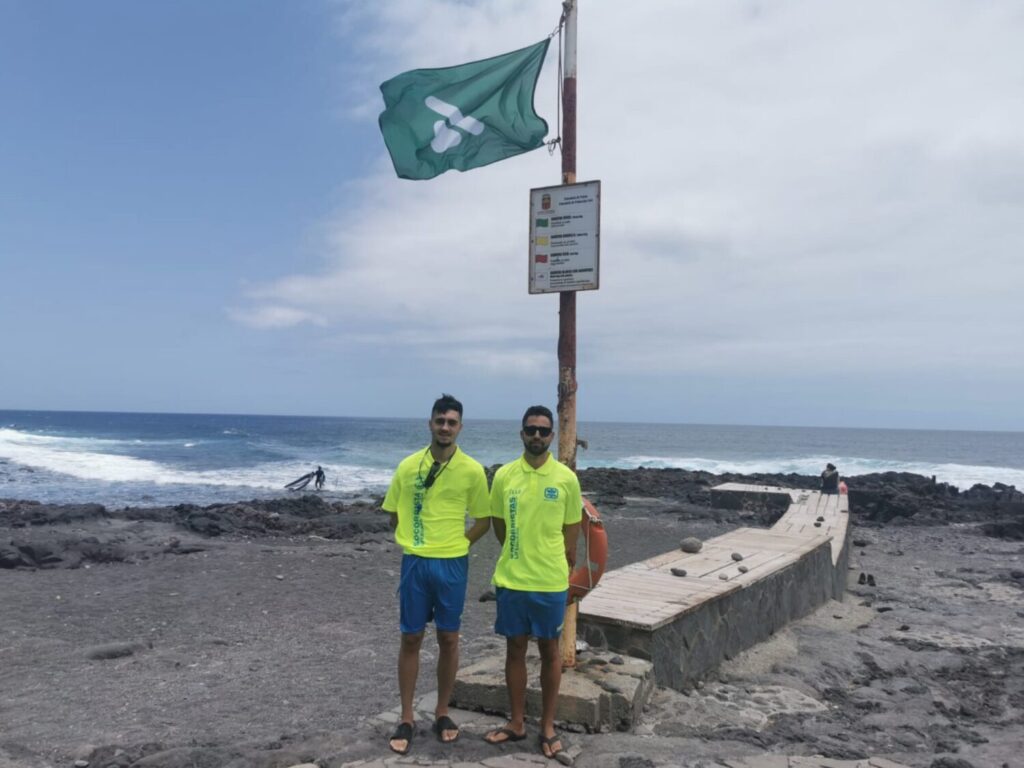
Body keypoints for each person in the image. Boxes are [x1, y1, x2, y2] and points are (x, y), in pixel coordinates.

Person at [382, 394, 491, 755]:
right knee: (411, 638)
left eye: (452, 422)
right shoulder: (408, 465)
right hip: (415, 562)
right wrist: (416, 539)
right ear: (430, 423)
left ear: (460, 427)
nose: (445, 427)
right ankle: (408, 716)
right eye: (440, 421)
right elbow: (393, 514)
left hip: (452, 565)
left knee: (449, 638)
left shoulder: (473, 470)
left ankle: (443, 711)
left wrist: (458, 544)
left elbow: (483, 520)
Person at [484, 405, 582, 761]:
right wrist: (517, 552)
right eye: (531, 430)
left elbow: (572, 533)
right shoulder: (505, 476)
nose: (537, 436)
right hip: (512, 579)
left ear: (552, 436)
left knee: (550, 652)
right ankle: (517, 722)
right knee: (514, 650)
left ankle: (549, 727)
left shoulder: (566, 479)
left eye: (543, 431)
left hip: (550, 582)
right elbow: (498, 525)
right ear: (521, 433)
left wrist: (555, 563)